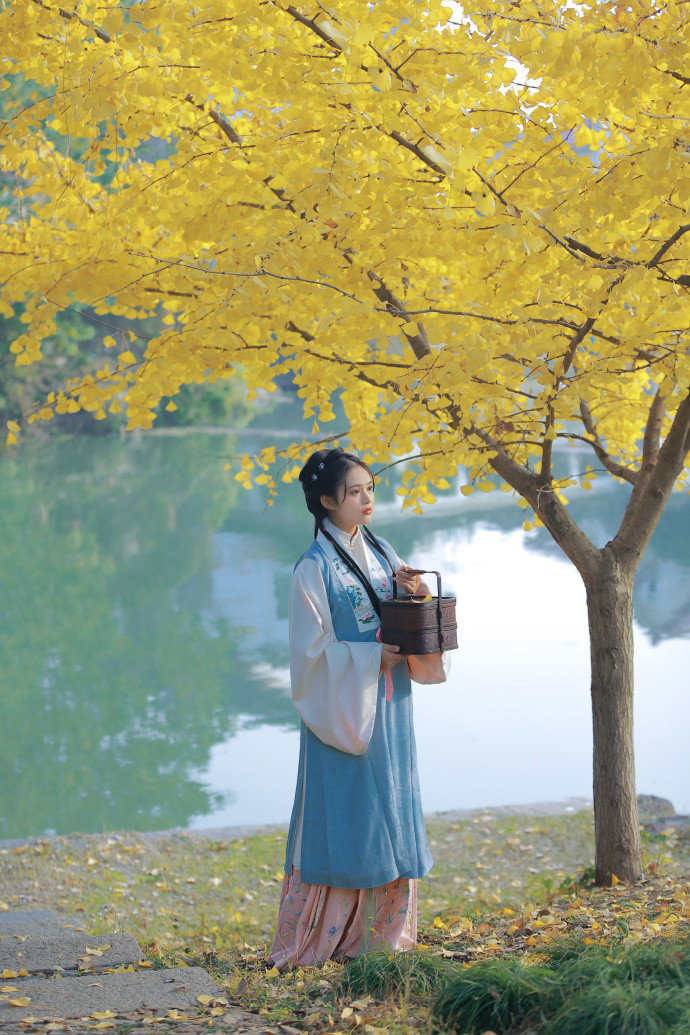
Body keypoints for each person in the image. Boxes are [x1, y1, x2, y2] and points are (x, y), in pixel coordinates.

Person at [269, 447, 448, 970]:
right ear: (327, 501)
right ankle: (326, 939)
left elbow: (396, 609)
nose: (367, 498)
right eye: (354, 491)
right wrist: (372, 656)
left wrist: (411, 593)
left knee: (393, 803)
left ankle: (385, 937)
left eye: (370, 487)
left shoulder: (383, 548)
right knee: (349, 814)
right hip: (344, 710)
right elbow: (309, 656)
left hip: (392, 704)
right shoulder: (312, 568)